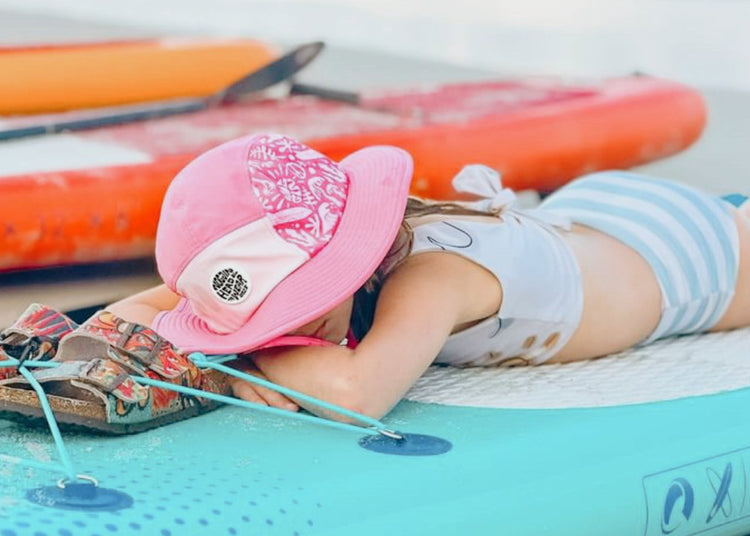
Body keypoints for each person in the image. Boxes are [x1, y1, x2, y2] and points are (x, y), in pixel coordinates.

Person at [106, 132, 750, 422]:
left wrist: (238, 359)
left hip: (683, 259)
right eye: (265, 314)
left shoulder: (431, 279)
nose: (287, 327)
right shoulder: (348, 253)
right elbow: (142, 311)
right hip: (581, 217)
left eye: (292, 310)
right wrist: (216, 334)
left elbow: (358, 396)